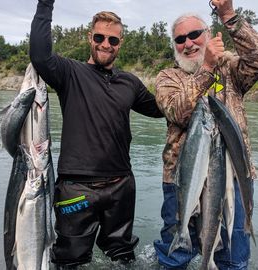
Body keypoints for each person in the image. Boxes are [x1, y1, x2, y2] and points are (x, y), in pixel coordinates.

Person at [29, 0, 163, 268]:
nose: (105, 44)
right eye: (99, 37)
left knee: (123, 258)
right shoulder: (69, 73)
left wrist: (207, 75)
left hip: (121, 186)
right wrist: (46, 4)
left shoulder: (130, 83)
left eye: (112, 40)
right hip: (76, 189)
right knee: (69, 260)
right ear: (90, 37)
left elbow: (163, 109)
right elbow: (40, 55)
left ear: (120, 43)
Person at [153, 0, 258, 269]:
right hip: (181, 180)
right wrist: (206, 68)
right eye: (180, 38)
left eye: (195, 34)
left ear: (208, 35)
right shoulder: (167, 77)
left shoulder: (230, 69)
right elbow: (178, 112)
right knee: (174, 259)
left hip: (234, 178)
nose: (189, 43)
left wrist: (228, 15)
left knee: (234, 260)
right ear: (175, 45)